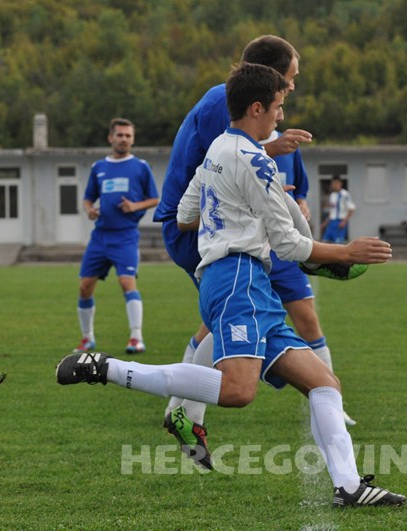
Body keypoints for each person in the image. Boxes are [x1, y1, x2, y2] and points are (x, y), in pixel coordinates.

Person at [56, 63, 406, 507]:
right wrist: (345, 252)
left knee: (323, 383)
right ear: (256, 108)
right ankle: (103, 367)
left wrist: (236, 207)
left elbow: (185, 215)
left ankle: (350, 486)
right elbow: (290, 245)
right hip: (240, 278)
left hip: (234, 279)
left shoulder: (218, 148)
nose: (281, 115)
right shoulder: (256, 162)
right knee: (238, 391)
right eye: (278, 106)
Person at [153, 34, 360, 453]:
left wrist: (277, 168)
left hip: (213, 225)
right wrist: (331, 248)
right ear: (266, 80)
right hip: (200, 226)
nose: (293, 86)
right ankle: (320, 260)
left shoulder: (241, 108)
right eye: (291, 77)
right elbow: (226, 165)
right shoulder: (223, 103)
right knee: (259, 311)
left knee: (226, 319)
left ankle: (184, 412)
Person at [73, 118, 159, 355]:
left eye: (128, 136)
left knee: (126, 282)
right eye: (120, 135)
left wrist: (134, 206)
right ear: (110, 138)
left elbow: (154, 198)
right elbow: (88, 198)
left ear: (133, 139)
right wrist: (89, 210)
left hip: (125, 236)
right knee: (84, 287)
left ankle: (136, 337)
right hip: (100, 236)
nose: (124, 139)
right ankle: (87, 338)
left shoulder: (141, 167)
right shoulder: (98, 167)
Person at [321, 176, 355, 243]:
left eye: (335, 183)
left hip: (340, 221)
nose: (334, 185)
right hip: (331, 222)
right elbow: (332, 211)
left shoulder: (345, 194)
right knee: (325, 241)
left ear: (340, 183)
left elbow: (351, 209)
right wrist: (325, 222)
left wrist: (344, 221)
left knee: (338, 243)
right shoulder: (332, 195)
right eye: (332, 183)